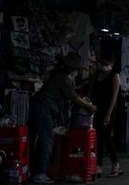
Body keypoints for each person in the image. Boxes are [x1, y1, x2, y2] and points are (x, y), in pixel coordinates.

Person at [29, 52, 97, 184]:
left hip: (40, 107)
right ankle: (39, 174)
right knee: (47, 141)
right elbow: (75, 98)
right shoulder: (63, 79)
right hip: (43, 109)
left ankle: (36, 171)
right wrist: (90, 106)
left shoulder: (61, 76)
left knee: (41, 141)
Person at [90, 51, 122, 177]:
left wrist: (108, 114)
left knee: (107, 137)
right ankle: (98, 166)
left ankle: (116, 164)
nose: (103, 66)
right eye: (101, 63)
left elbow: (114, 96)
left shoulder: (115, 76)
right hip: (95, 109)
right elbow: (92, 90)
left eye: (106, 64)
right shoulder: (97, 74)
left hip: (108, 109)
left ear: (112, 64)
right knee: (97, 137)